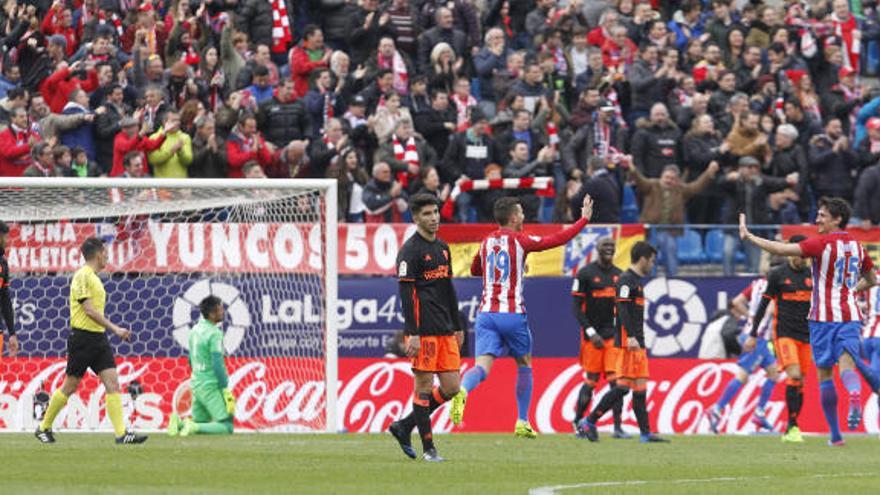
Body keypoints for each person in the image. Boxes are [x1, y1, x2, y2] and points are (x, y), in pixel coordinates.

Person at [739, 198, 880, 446]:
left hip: (822, 319)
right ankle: (855, 393)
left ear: (837, 219)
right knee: (847, 367)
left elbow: (781, 250)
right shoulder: (858, 247)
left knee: (825, 375)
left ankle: (835, 436)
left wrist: (750, 237)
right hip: (850, 316)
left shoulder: (821, 244)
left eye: (823, 216)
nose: (817, 220)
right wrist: (849, 291)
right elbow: (871, 279)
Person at [455, 194, 594, 438]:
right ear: (513, 217)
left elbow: (476, 269)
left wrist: (505, 268)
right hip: (512, 314)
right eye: (520, 213)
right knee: (524, 365)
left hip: (486, 314)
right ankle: (521, 421)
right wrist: (583, 220)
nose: (523, 216)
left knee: (482, 367)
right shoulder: (521, 241)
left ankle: (463, 390)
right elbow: (557, 239)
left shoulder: (487, 241)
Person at [35, 237, 147, 445]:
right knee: (70, 386)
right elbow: (88, 310)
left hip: (98, 339)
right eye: (105, 252)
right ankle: (43, 427)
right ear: (97, 254)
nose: (107, 256)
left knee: (112, 382)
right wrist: (115, 329)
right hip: (83, 338)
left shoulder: (94, 277)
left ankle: (121, 434)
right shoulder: (82, 276)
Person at [388, 194, 463, 463]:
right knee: (423, 386)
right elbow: (406, 296)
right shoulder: (410, 251)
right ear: (416, 218)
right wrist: (413, 333)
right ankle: (429, 449)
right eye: (427, 214)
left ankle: (404, 426)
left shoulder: (443, 248)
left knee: (453, 387)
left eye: (435, 212)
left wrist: (458, 324)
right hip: (424, 329)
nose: (434, 218)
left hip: (445, 328)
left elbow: (448, 288)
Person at [578, 241, 669, 443]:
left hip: (638, 343)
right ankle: (589, 422)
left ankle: (645, 433)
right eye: (652, 261)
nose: (652, 265)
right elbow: (622, 310)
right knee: (622, 387)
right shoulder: (626, 280)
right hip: (629, 344)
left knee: (640, 388)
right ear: (643, 259)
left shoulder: (635, 281)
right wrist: (630, 336)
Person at [741, 236, 812, 442]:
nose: (802, 259)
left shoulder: (812, 276)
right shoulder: (778, 275)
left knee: (800, 383)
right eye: (799, 255)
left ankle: (793, 425)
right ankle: (792, 426)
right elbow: (763, 307)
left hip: (806, 337)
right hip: (784, 335)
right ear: (790, 253)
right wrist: (753, 334)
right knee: (795, 375)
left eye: (805, 256)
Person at [705, 273, 781, 434]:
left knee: (774, 374)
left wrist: (750, 317)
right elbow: (770, 310)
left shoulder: (757, 284)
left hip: (754, 335)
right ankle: (717, 409)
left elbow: (736, 302)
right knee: (742, 376)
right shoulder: (777, 285)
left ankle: (759, 413)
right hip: (757, 338)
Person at [571, 237, 627, 438]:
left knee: (617, 383)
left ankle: (618, 428)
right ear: (597, 248)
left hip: (612, 337)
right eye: (605, 246)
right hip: (592, 338)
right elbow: (576, 308)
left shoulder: (620, 276)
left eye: (612, 246)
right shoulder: (585, 274)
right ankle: (578, 424)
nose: (609, 249)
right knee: (591, 381)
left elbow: (623, 309)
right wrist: (590, 332)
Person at [167, 296, 235, 436]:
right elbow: (217, 364)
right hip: (210, 386)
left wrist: (199, 376)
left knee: (200, 422)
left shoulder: (195, 330)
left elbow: (190, 360)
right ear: (211, 313)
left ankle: (179, 423)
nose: (223, 311)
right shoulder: (215, 333)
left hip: (196, 384)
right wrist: (224, 388)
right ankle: (190, 426)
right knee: (227, 426)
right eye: (220, 308)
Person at [0, 221, 17, 356]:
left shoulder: (3, 263)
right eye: (6, 237)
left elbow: (5, 298)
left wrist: (12, 333)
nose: (8, 241)